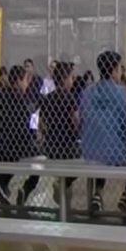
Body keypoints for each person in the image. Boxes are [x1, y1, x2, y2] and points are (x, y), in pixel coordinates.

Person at [81, 51, 126, 213]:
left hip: (90, 151)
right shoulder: (121, 92)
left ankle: (98, 193)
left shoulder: (87, 92)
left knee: (104, 143)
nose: (121, 71)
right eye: (119, 68)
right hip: (115, 153)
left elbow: (83, 119)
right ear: (114, 70)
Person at [0, 65, 40, 206]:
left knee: (10, 158)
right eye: (25, 80)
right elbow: (23, 131)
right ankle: (26, 189)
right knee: (39, 160)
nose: (27, 84)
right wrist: (35, 139)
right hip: (14, 146)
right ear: (17, 81)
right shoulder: (20, 102)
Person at [39, 61, 80, 205]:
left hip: (50, 147)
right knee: (85, 157)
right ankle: (65, 183)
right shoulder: (70, 97)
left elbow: (42, 124)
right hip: (68, 147)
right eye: (71, 77)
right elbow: (75, 122)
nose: (72, 80)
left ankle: (63, 187)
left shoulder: (47, 99)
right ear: (64, 79)